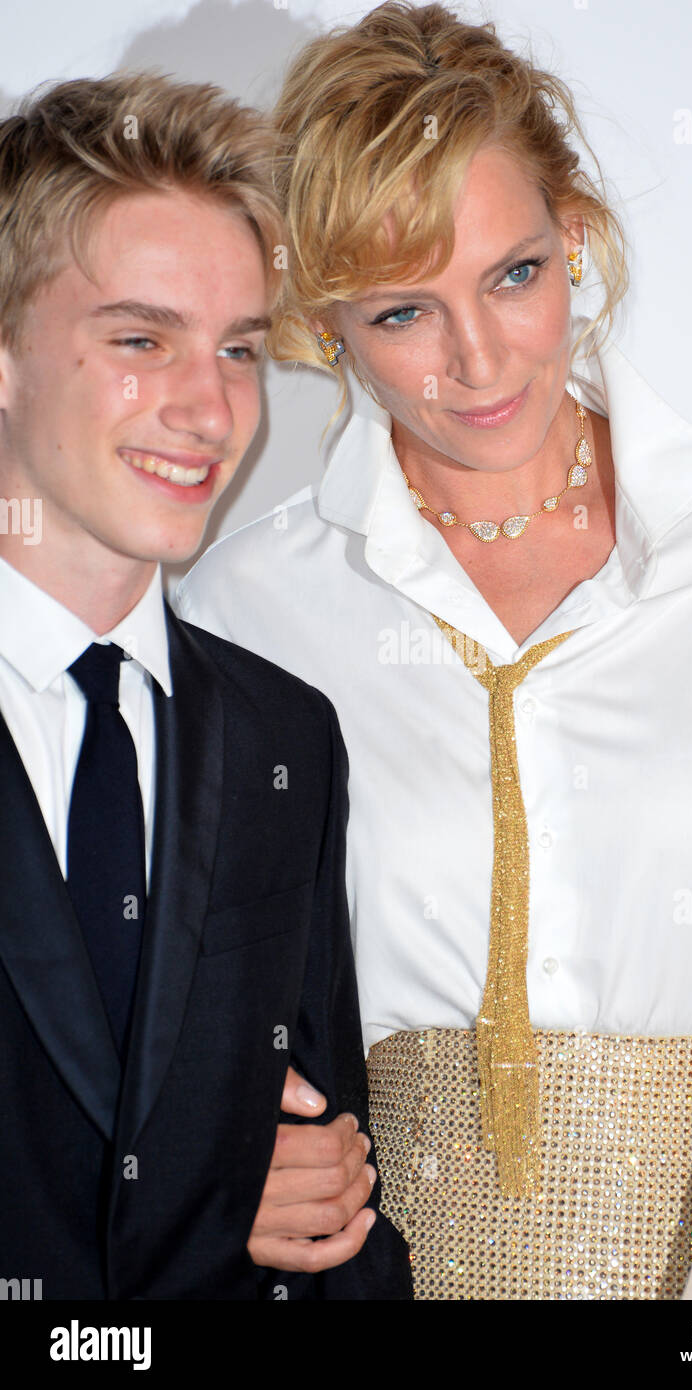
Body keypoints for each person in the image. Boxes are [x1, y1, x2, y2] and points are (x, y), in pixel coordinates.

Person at [178, 1, 692, 1299]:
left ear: (578, 239)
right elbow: (160, 1018)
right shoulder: (248, 609)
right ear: (325, 328)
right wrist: (222, 1157)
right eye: (401, 313)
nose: (478, 360)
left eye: (512, 274)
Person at [0, 72, 410, 1300]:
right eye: (140, 338)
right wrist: (208, 1178)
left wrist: (318, 1195)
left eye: (238, 348)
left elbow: (330, 1183)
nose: (211, 406)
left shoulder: (285, 734)